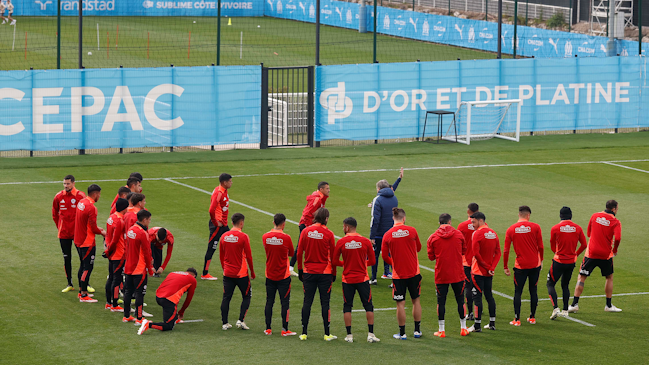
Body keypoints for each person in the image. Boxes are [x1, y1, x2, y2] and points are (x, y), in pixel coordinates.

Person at [569, 200, 622, 313]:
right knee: (609, 277)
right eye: (617, 208)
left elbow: (588, 233)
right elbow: (617, 238)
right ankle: (608, 305)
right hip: (606, 255)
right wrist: (615, 250)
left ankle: (574, 304)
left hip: (591, 253)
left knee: (582, 277)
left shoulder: (595, 216)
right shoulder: (616, 221)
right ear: (613, 209)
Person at [333, 217, 380, 343]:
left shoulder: (341, 242)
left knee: (347, 306)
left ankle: (349, 336)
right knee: (368, 306)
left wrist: (346, 264)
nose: (343, 229)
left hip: (347, 279)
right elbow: (373, 261)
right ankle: (370, 334)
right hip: (362, 279)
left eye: (343, 227)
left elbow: (335, 261)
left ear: (347, 227)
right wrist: (362, 264)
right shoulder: (365, 241)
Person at [296, 208, 337, 341]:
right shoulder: (329, 233)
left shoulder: (306, 231)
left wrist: (300, 270)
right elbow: (334, 256)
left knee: (307, 301)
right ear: (326, 219)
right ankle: (327, 333)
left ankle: (304, 333)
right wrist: (334, 273)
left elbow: (299, 252)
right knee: (325, 303)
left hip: (309, 272)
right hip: (325, 273)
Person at [381, 207, 422, 340]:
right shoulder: (412, 230)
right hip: (414, 272)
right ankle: (417, 331)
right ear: (404, 218)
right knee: (416, 301)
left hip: (398, 275)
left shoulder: (388, 234)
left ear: (393, 218)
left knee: (400, 303)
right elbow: (419, 248)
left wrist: (394, 262)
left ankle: (402, 333)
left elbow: (384, 256)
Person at [427, 213, 470, 338]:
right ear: (450, 222)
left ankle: (442, 330)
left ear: (439, 223)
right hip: (458, 273)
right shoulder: (458, 235)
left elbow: (430, 257)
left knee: (441, 302)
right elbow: (464, 251)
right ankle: (463, 328)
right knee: (460, 300)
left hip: (441, 274)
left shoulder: (433, 237)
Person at [503, 206, 544, 326]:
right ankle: (532, 317)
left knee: (518, 292)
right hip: (534, 265)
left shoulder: (511, 229)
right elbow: (541, 246)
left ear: (519, 215)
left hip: (520, 266)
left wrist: (505, 266)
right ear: (528, 215)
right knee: (533, 290)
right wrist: (541, 260)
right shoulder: (536, 227)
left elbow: (506, 250)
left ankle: (517, 319)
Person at [547, 207, 587, 319]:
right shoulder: (577, 228)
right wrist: (575, 254)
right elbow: (584, 244)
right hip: (571, 262)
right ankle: (565, 310)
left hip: (558, 261)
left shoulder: (555, 228)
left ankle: (555, 308)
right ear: (571, 215)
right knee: (565, 285)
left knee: (550, 284)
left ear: (560, 216)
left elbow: (551, 244)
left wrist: (557, 252)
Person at [262, 213, 296, 336]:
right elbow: (292, 253)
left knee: (269, 301)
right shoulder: (286, 238)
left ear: (273, 222)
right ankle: (284, 329)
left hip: (270, 274)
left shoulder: (265, 236)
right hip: (283, 276)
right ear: (283, 224)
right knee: (285, 302)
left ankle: (268, 328)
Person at [220, 213, 255, 331]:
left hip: (228, 273)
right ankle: (240, 320)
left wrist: (224, 269)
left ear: (232, 222)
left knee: (226, 297)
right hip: (241, 274)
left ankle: (225, 323)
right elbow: (249, 257)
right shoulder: (244, 236)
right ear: (241, 223)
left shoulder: (224, 236)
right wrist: (252, 272)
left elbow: (221, 255)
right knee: (246, 296)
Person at [52, 174, 86, 293]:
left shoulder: (80, 196)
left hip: (77, 233)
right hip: (64, 234)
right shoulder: (58, 196)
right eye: (64, 184)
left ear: (73, 183)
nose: (66, 186)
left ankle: (85, 283)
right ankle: (69, 283)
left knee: (83, 259)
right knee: (67, 259)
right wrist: (60, 226)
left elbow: (86, 213)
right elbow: (54, 214)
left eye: (68, 183)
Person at [138, 268, 198, 335]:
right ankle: (148, 324)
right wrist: (181, 312)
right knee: (169, 326)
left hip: (158, 296)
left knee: (173, 304)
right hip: (168, 300)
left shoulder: (173, 273)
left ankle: (174, 318)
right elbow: (188, 298)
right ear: (194, 276)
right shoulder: (193, 280)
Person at [369, 167, 404, 284]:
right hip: (391, 231)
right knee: (391, 254)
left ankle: (373, 278)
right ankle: (392, 277)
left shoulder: (377, 199)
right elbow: (393, 189)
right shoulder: (394, 197)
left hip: (379, 233)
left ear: (378, 188)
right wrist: (399, 178)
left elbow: (376, 219)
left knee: (375, 254)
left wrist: (372, 235)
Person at [468, 212, 501, 333]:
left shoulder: (477, 234)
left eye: (473, 222)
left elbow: (476, 253)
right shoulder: (493, 233)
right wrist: (492, 267)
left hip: (478, 271)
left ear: (480, 221)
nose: (472, 225)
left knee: (477, 298)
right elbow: (498, 253)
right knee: (489, 296)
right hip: (488, 272)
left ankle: (477, 325)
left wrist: (487, 267)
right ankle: (492, 323)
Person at [74, 184, 106, 302]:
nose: (100, 196)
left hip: (78, 239)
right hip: (87, 242)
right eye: (99, 194)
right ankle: (83, 295)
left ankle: (81, 291)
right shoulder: (91, 207)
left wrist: (98, 228)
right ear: (95, 194)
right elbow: (93, 228)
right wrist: (102, 232)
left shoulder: (81, 203)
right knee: (87, 268)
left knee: (82, 266)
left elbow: (86, 223)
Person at [122, 210, 156, 325]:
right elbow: (147, 253)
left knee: (128, 292)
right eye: (149, 220)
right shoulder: (143, 233)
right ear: (145, 219)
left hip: (129, 267)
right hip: (139, 268)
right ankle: (139, 318)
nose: (149, 222)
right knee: (139, 293)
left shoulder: (131, 229)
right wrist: (150, 269)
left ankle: (126, 316)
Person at [290, 181, 330, 276]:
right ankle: (292, 267)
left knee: (304, 246)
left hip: (308, 225)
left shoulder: (320, 197)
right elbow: (307, 214)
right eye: (327, 189)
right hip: (306, 225)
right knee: (302, 246)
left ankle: (292, 267)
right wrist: (310, 227)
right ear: (321, 189)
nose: (329, 190)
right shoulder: (317, 199)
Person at [203, 173, 232, 281]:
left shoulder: (223, 190)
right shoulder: (219, 192)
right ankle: (205, 273)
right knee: (212, 248)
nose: (231, 183)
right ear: (224, 182)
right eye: (230, 181)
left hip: (223, 225)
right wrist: (215, 222)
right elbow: (211, 210)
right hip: (217, 226)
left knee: (231, 242)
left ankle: (228, 270)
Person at [103, 198, 128, 312]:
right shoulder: (120, 221)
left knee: (111, 277)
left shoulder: (111, 218)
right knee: (116, 280)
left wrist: (108, 249)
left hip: (112, 253)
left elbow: (108, 236)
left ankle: (108, 303)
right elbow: (115, 239)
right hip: (118, 254)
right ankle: (114, 305)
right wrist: (110, 250)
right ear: (124, 208)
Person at [457, 203, 479, 320]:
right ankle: (478, 310)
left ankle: (470, 312)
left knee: (468, 288)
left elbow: (457, 243)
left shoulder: (462, 226)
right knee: (480, 287)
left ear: (468, 211)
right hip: (479, 262)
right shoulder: (483, 225)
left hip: (466, 262)